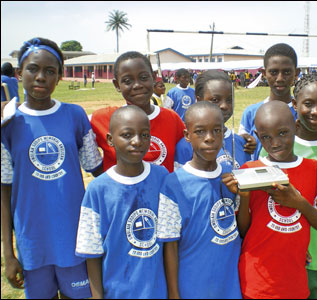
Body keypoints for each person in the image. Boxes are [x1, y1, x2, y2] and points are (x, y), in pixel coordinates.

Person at [1, 37, 103, 299]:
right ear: (18, 73)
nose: (40, 77)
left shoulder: (75, 115)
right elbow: (4, 191)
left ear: (59, 78)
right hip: (33, 242)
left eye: (50, 71)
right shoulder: (7, 124)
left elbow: (97, 171)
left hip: (74, 238)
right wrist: (9, 255)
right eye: (33, 69)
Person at [223, 100, 317, 299]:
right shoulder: (249, 170)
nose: (275, 143)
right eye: (266, 137)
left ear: (296, 127)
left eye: (283, 133)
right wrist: (245, 196)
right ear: (257, 137)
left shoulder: (313, 169)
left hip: (294, 282)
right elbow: (244, 231)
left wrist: (298, 202)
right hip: (256, 281)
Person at [259, 73, 317, 298]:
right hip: (284, 258)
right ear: (294, 104)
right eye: (308, 104)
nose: (316, 111)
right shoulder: (275, 145)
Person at [76, 105, 168, 298]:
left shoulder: (162, 177)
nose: (137, 141)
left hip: (158, 290)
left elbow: (171, 239)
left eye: (144, 135)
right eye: (127, 135)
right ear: (110, 140)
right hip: (118, 291)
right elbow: (91, 251)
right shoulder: (98, 190)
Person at [157, 101, 242, 299]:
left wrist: (243, 194)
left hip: (228, 282)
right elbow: (170, 244)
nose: (210, 138)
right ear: (187, 136)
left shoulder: (231, 176)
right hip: (192, 284)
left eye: (216, 131)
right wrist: (174, 293)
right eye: (200, 132)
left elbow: (241, 227)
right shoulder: (174, 183)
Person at [90, 51, 185, 173]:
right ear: (117, 85)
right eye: (127, 81)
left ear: (154, 77)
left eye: (143, 78)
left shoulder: (172, 119)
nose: (137, 85)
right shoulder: (103, 118)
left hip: (162, 191)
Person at [174, 69, 254, 170]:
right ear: (199, 100)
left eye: (229, 100)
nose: (224, 106)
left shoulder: (243, 143)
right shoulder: (186, 145)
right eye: (215, 100)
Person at [238, 43, 299, 160]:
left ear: (296, 72)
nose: (280, 78)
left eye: (286, 72)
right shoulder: (251, 113)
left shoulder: (302, 113)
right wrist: (245, 140)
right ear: (264, 73)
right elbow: (243, 150)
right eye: (274, 72)